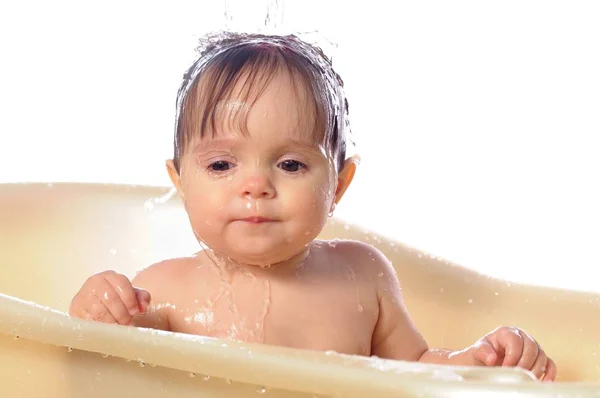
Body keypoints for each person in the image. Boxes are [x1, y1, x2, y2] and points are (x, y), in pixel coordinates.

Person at [69, 31, 556, 381]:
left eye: (291, 165)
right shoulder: (162, 289)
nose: (255, 185)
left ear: (338, 184)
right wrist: (99, 306)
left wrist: (483, 360)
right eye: (221, 166)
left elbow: (415, 371)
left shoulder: (361, 276)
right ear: (180, 182)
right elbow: (106, 362)